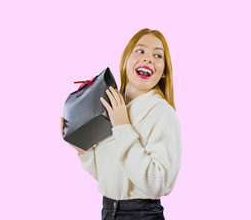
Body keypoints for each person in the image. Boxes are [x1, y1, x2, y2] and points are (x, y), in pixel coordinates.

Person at [60, 28, 181, 220]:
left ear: (164, 72)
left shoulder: (162, 113)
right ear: (126, 61)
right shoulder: (114, 106)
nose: (148, 58)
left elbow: (157, 184)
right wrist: (84, 151)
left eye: (157, 55)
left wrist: (122, 126)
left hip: (142, 214)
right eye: (140, 51)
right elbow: (110, 176)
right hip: (109, 210)